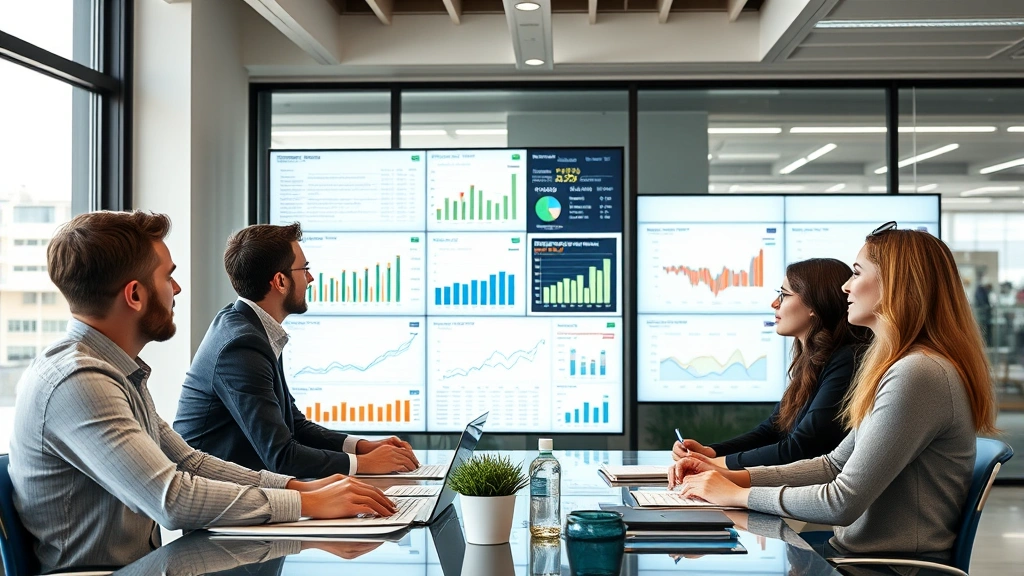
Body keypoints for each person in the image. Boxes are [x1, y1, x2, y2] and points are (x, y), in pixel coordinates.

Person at [9, 211, 397, 573]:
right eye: (168, 277)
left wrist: (300, 486)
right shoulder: (79, 381)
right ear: (135, 295)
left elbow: (189, 462)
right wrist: (306, 503)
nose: (177, 289)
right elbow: (171, 499)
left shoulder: (115, 371)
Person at [668, 225, 998, 560]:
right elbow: (832, 465)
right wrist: (727, 475)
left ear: (895, 284)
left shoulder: (918, 374)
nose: (846, 286)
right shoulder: (901, 367)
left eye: (856, 273)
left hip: (883, 568)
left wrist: (737, 494)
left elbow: (841, 501)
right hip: (852, 557)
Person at [174, 223, 419, 477]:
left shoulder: (251, 327)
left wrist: (363, 448)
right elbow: (282, 456)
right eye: (305, 269)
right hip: (217, 503)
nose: (310, 278)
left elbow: (295, 426)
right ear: (280, 281)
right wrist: (364, 465)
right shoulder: (241, 346)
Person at [673, 258, 869, 469]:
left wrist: (714, 464)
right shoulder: (813, 361)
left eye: (784, 295)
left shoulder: (847, 361)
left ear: (814, 304)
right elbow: (772, 430)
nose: (774, 304)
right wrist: (710, 452)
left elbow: (801, 448)